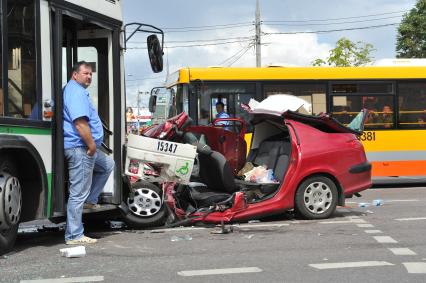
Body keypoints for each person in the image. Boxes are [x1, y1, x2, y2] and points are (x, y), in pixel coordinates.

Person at [63, 61, 115, 245]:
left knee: (108, 164)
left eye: (91, 74)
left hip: (82, 147)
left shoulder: (75, 90)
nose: (89, 76)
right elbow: (80, 123)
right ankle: (74, 235)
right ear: (74, 74)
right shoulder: (75, 92)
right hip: (80, 148)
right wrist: (92, 145)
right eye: (86, 73)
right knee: (77, 193)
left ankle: (90, 200)